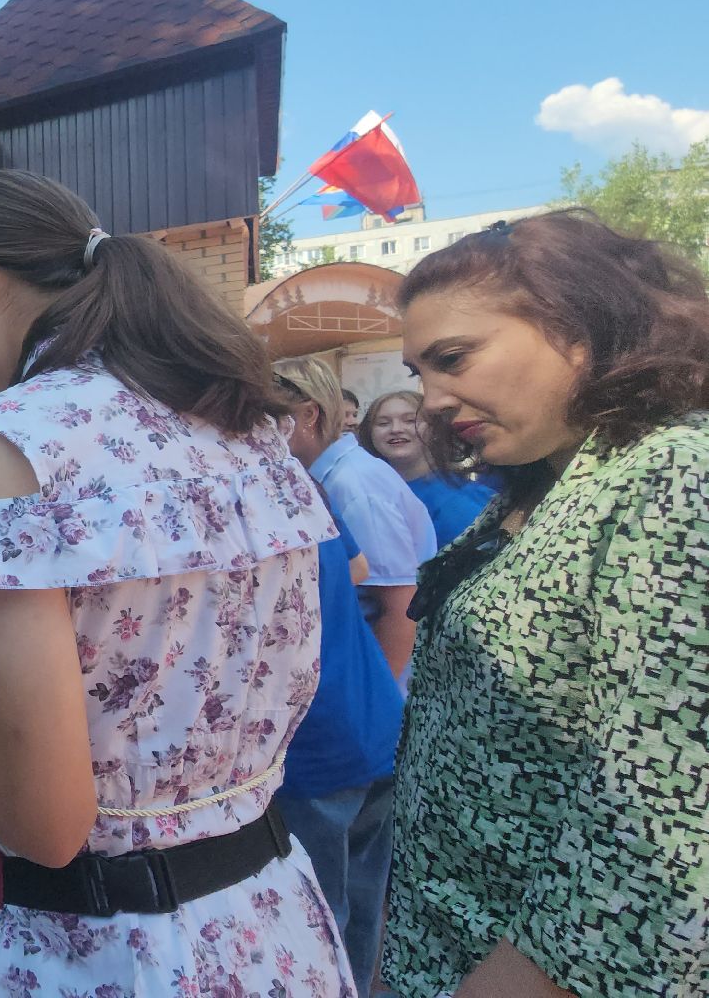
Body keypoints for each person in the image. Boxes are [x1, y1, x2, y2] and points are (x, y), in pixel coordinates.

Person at [0, 170, 353, 997]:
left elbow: (45, 823)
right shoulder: (238, 415)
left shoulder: (5, 436)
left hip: (117, 951)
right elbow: (160, 681)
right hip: (272, 917)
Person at [385, 211, 709, 998]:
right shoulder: (550, 479)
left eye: (453, 358)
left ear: (574, 321)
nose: (430, 399)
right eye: (420, 372)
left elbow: (659, 825)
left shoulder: (670, 472)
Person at [272, 465, 404, 992]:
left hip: (313, 743)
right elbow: (358, 568)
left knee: (318, 924)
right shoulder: (298, 481)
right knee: (362, 912)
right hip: (372, 719)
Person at [274, 356, 435, 681]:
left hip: (379, 684)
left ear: (307, 414)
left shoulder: (354, 484)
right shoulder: (328, 476)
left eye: (268, 416)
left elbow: (401, 608)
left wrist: (380, 696)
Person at [360, 389, 495, 548]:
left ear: (435, 429)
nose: (395, 429)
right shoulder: (364, 490)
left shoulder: (462, 499)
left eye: (410, 421)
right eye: (383, 423)